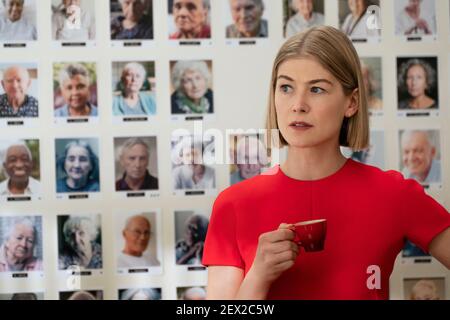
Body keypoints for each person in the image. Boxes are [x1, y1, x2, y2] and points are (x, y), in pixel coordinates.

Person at [203, 26, 450, 300]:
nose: (298, 104)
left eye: (317, 89)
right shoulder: (233, 204)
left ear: (352, 102)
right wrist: (258, 276)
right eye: (286, 87)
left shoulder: (393, 193)